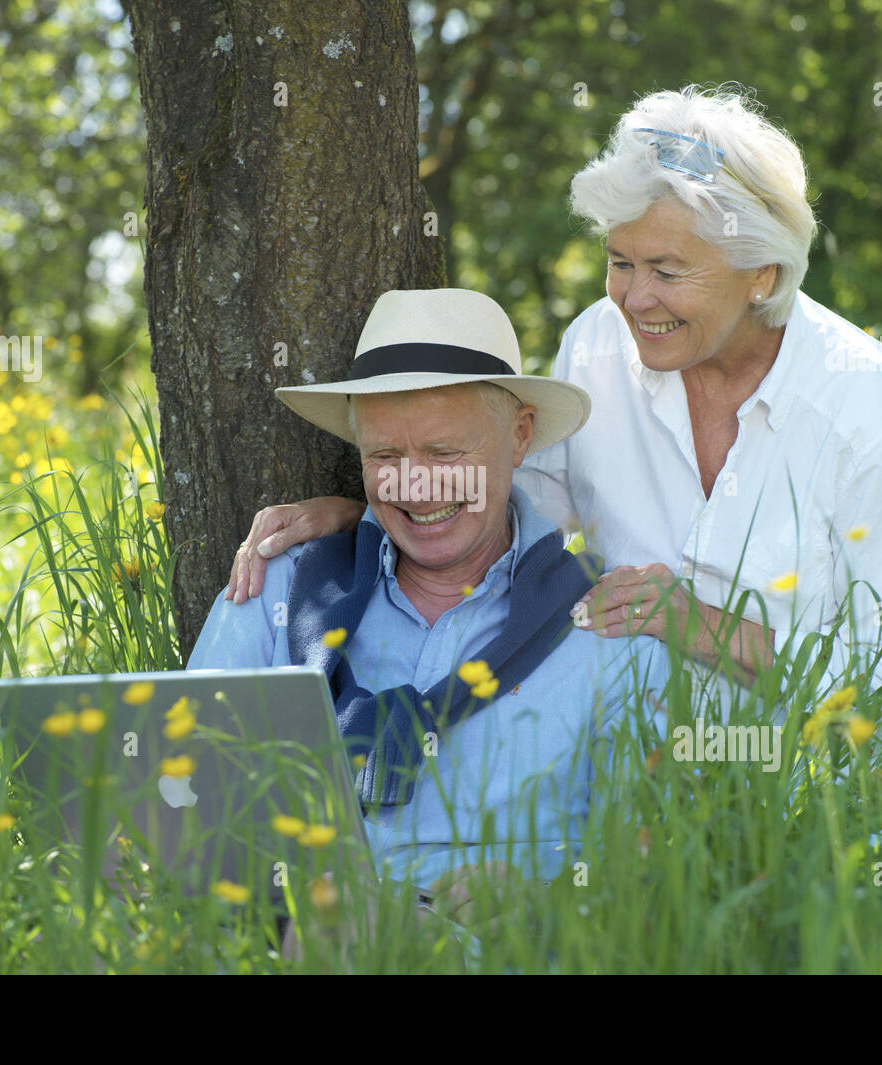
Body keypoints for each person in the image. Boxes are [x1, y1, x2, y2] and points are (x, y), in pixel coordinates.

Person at [225, 85, 882, 723]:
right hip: (603, 752)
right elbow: (506, 508)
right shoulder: (598, 345)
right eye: (620, 262)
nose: (634, 297)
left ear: (763, 274)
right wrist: (367, 510)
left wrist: (697, 623)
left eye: (666, 270)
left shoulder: (858, 396)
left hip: (793, 778)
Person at [188, 287, 666, 907]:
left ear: (520, 437)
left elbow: (647, 876)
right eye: (385, 455)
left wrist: (542, 901)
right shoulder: (275, 588)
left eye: (444, 453)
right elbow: (181, 789)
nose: (414, 485)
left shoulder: (606, 628)